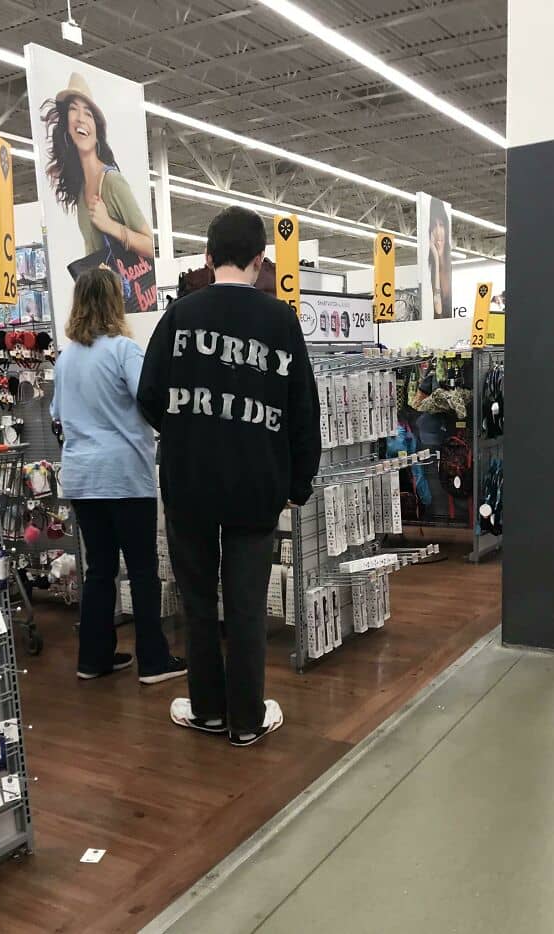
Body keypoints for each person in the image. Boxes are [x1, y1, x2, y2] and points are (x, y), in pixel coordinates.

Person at [138, 207, 321, 746]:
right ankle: (245, 720)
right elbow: (303, 411)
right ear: (260, 260)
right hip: (256, 485)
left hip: (189, 482)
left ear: (207, 256)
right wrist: (300, 483)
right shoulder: (281, 321)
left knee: (197, 602)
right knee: (246, 606)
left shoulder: (178, 316)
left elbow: (148, 396)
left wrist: (187, 427)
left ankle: (208, 711)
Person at [50, 268, 186, 685]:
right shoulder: (124, 350)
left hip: (81, 476)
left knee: (99, 569)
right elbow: (152, 399)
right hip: (124, 474)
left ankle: (94, 658)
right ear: (114, 302)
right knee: (142, 570)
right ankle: (153, 661)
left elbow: (57, 414)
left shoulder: (65, 358)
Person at [43, 73, 154, 259]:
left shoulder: (112, 182)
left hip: (118, 279)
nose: (80, 118)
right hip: (97, 278)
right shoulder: (80, 191)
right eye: (73, 109)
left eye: (88, 113)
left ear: (96, 128)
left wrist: (110, 225)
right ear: (67, 126)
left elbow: (149, 246)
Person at [428, 199, 452, 319]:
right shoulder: (429, 269)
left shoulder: (450, 266)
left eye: (441, 225)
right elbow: (438, 309)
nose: (438, 232)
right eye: (434, 226)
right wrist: (436, 260)